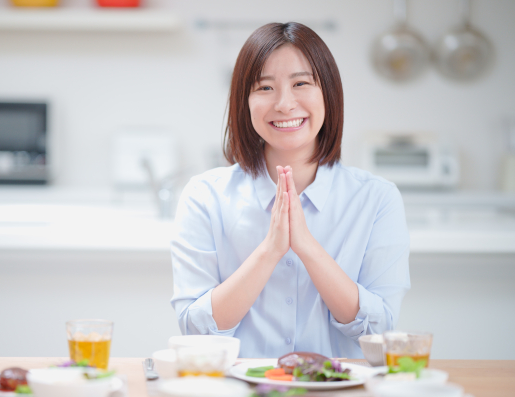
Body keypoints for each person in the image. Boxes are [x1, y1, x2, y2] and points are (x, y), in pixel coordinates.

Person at [170, 22, 410, 358]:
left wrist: (307, 248)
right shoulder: (204, 196)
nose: (284, 104)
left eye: (301, 83)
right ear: (244, 102)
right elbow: (195, 330)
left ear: (328, 93)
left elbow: (380, 331)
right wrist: (270, 251)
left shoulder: (377, 199)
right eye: (265, 88)